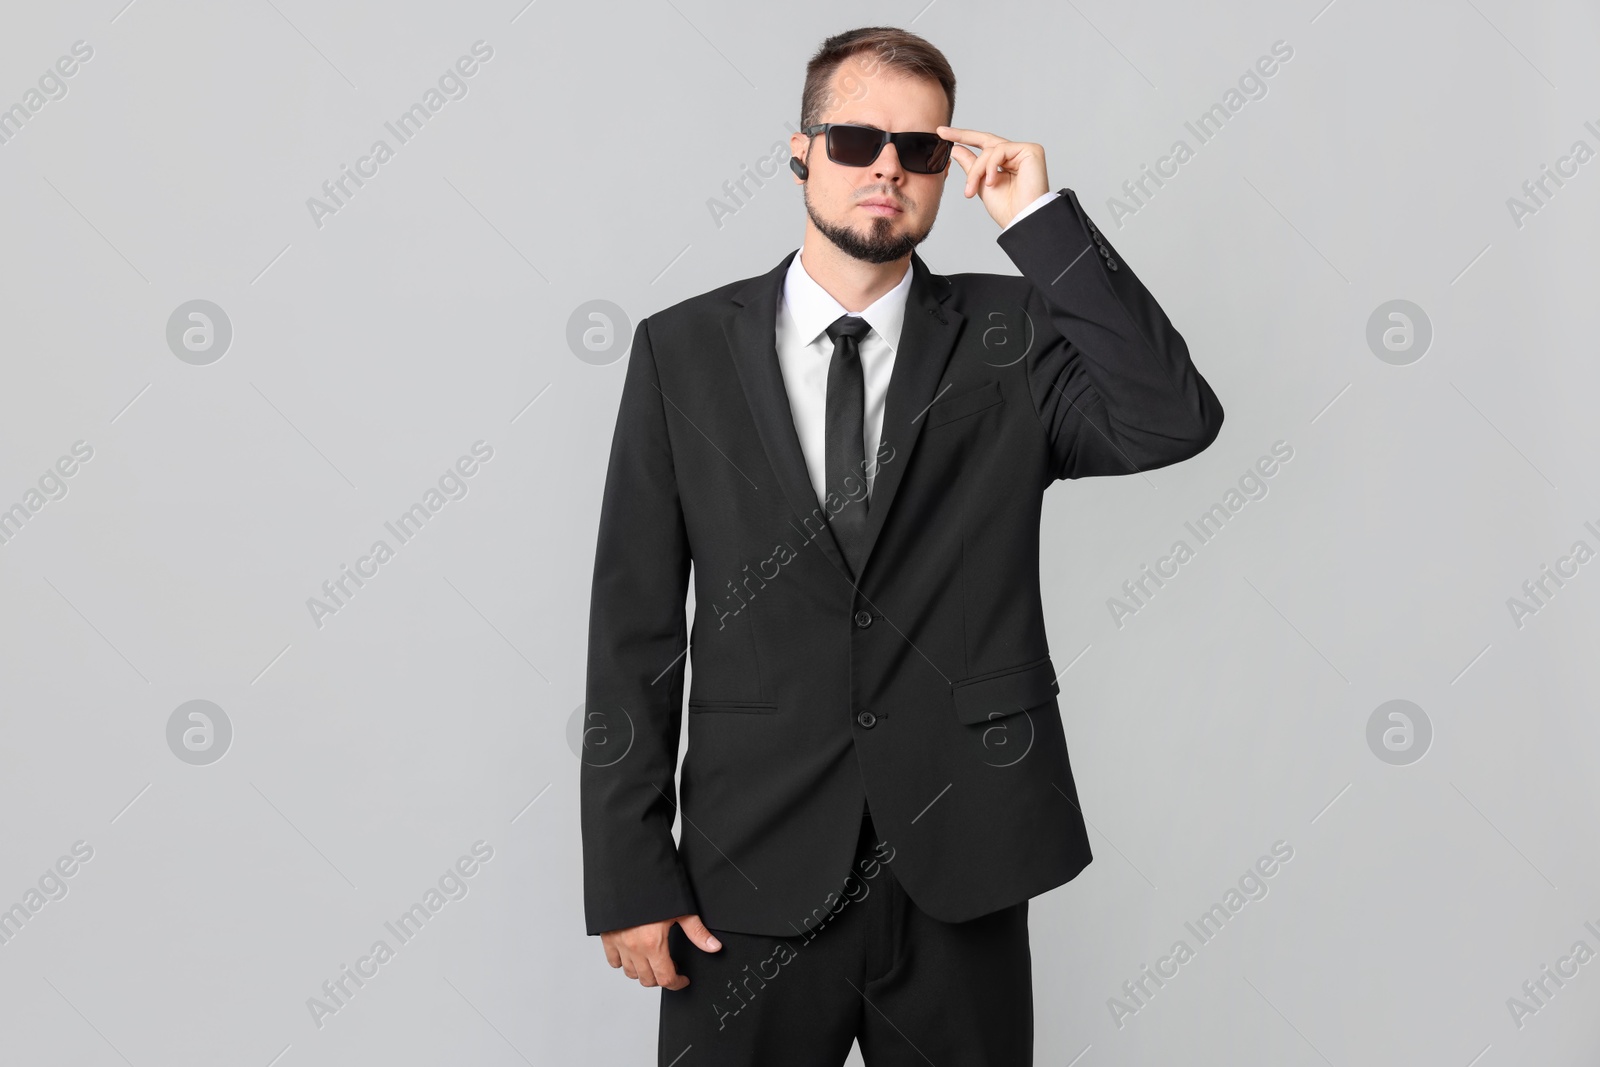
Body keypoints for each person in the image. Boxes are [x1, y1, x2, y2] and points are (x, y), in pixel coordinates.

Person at [581, 24, 1224, 1065]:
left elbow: (1170, 418)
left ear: (944, 171)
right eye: (855, 140)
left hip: (962, 858)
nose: (888, 165)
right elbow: (633, 629)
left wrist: (1042, 223)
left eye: (921, 148)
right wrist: (627, 870)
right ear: (799, 151)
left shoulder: (1011, 333)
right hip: (747, 871)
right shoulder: (680, 350)